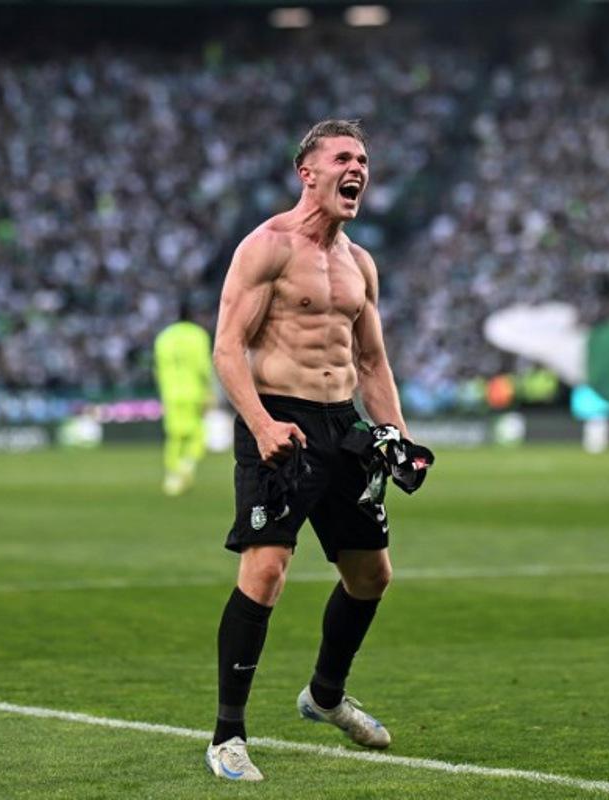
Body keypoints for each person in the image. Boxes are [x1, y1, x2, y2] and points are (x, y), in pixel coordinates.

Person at [204, 119, 432, 781]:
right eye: (343, 157)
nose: (357, 167)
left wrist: (398, 436)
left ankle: (325, 695)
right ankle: (227, 736)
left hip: (343, 428)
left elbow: (371, 360)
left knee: (372, 576)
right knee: (267, 571)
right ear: (309, 172)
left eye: (363, 158)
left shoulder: (359, 262)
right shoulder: (266, 247)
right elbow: (227, 348)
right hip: (279, 421)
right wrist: (261, 424)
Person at [153, 301, 213, 496]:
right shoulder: (198, 335)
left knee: (174, 436)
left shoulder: (164, 337)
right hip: (194, 391)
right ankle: (186, 466)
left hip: (170, 392)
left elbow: (158, 368)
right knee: (196, 435)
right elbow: (203, 367)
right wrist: (209, 392)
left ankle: (172, 475)